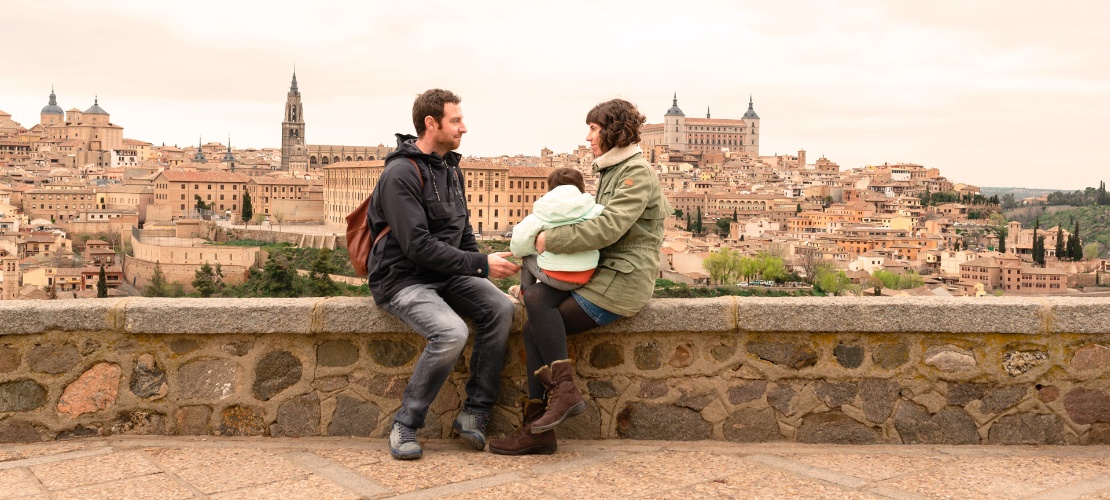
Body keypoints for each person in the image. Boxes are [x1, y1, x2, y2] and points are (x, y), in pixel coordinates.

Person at [489, 99, 671, 455]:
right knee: (535, 318)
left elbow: (608, 227)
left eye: (593, 129)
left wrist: (546, 241)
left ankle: (556, 404)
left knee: (538, 305)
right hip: (603, 274)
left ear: (612, 131)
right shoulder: (612, 170)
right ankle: (541, 425)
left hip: (622, 282)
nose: (588, 137)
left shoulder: (635, 174)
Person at [367, 89, 520, 460]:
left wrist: (479, 268)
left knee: (501, 308)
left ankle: (475, 412)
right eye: (456, 120)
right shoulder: (401, 173)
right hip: (403, 279)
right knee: (452, 332)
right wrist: (480, 266)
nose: (464, 128)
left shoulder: (451, 168)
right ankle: (406, 421)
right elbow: (416, 246)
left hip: (447, 274)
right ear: (430, 123)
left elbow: (463, 232)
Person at [509, 168, 604, 297]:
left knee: (527, 259)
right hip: (587, 273)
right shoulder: (593, 209)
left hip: (557, 278)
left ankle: (524, 293)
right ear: (581, 186)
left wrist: (524, 250)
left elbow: (519, 243)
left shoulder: (541, 212)